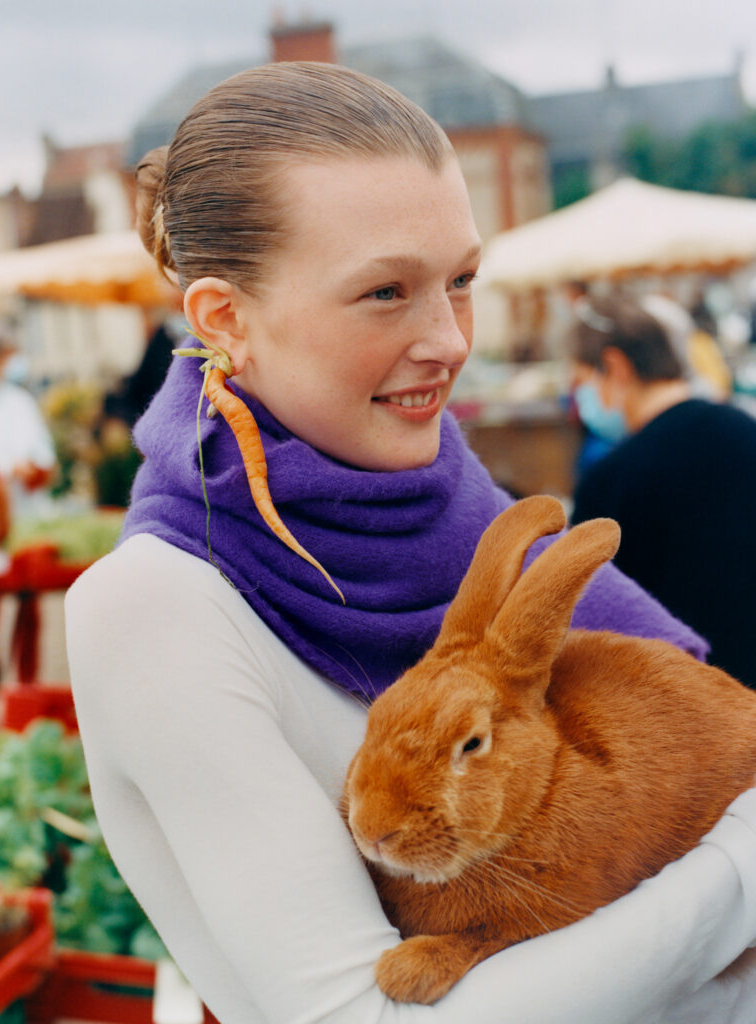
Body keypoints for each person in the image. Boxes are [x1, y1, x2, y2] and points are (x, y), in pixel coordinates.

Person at [65, 64, 756, 1023]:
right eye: (386, 292)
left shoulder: (474, 521)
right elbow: (370, 1017)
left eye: (463, 281)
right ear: (226, 318)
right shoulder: (152, 610)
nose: (449, 338)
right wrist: (741, 870)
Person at [570, 293, 756, 691]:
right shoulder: (746, 430)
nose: (581, 398)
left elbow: (588, 621)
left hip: (685, 710)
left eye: (583, 381)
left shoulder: (612, 479)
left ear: (616, 366)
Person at [0, 330, 56, 519]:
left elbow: (42, 445)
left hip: (29, 500)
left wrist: (38, 466)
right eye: (9, 356)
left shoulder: (20, 399)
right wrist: (9, 467)